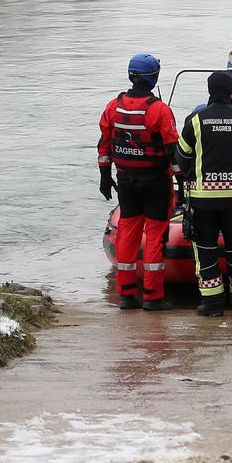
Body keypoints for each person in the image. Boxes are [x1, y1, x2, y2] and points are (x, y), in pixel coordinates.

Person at [97, 53, 179, 311]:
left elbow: (104, 144)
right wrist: (183, 182)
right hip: (155, 182)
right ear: (154, 78)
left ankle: (126, 295)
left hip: (125, 180)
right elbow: (172, 151)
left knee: (128, 233)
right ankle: (153, 296)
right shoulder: (159, 110)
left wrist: (104, 176)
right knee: (155, 235)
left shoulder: (113, 106)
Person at [177, 71, 232, 317]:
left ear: (209, 91)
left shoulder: (194, 121)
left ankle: (212, 306)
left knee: (204, 251)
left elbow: (182, 157)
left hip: (202, 201)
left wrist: (196, 175)